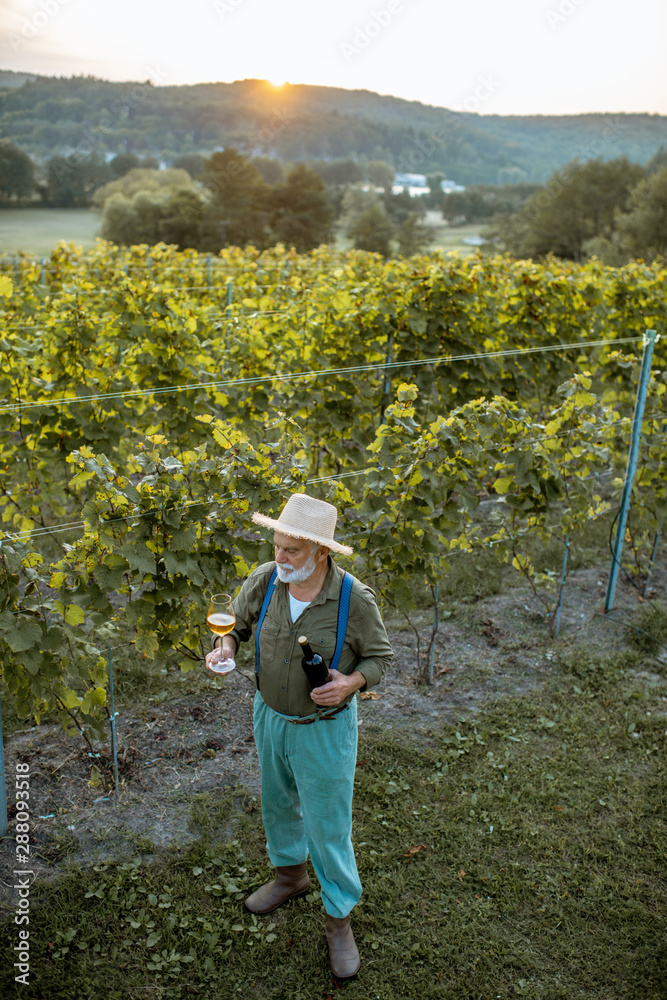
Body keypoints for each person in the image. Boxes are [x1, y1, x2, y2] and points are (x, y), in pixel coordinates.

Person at [205, 492, 393, 979]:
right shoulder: (266, 581)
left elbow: (379, 659)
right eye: (277, 545)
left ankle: (338, 921)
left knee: (329, 825)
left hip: (323, 730)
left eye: (291, 550)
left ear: (321, 552)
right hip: (270, 717)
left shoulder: (353, 599)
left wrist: (352, 682)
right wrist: (224, 649)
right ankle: (290, 876)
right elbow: (236, 628)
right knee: (278, 801)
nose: (279, 557)